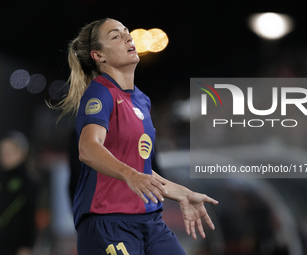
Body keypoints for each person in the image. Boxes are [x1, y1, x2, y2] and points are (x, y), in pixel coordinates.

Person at [53, 17, 218, 255]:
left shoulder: (142, 100)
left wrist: (181, 193)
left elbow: (140, 169)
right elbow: (88, 148)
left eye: (126, 32)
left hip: (150, 222)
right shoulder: (99, 93)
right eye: (116, 36)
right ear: (99, 56)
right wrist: (130, 175)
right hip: (108, 223)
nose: (128, 37)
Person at [0, 131, 38, 255]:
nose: (5, 155)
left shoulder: (27, 182)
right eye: (2, 151)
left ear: (22, 153)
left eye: (10, 150)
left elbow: (30, 216)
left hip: (15, 246)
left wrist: (26, 245)